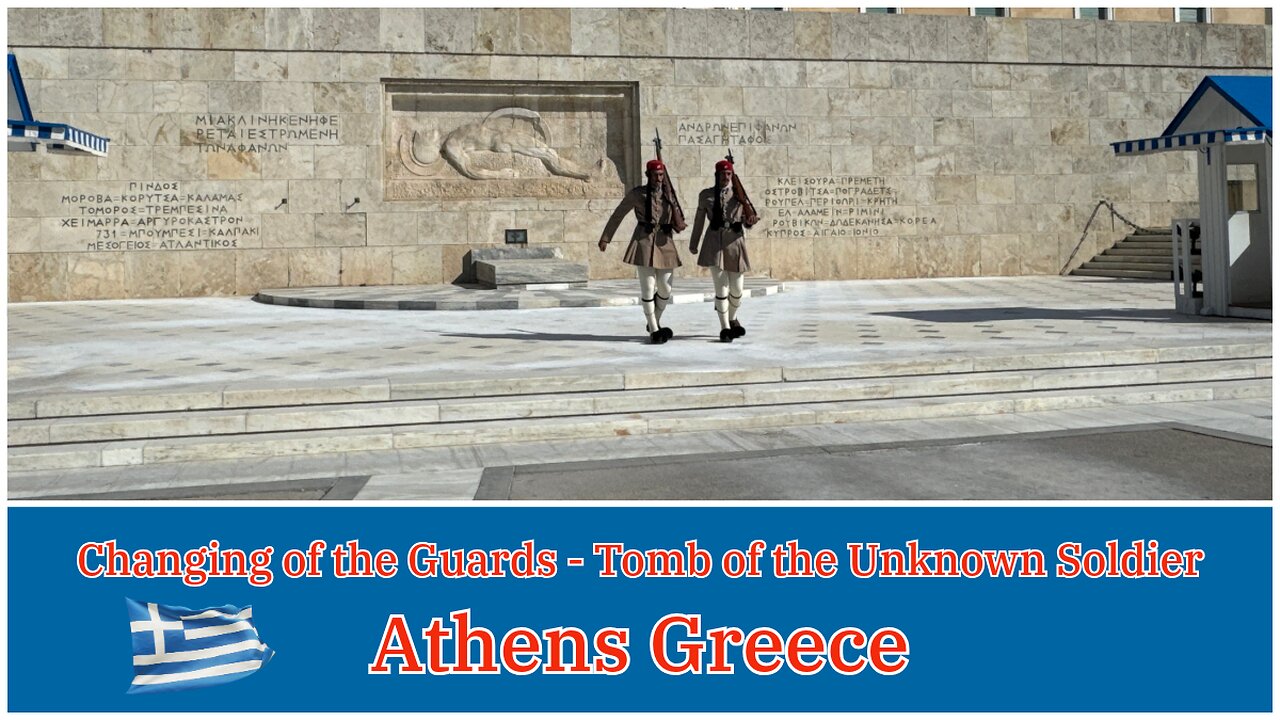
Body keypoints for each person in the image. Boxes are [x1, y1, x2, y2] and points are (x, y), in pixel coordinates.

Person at [598, 158, 687, 344]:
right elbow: (618, 214)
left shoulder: (668, 194)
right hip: (643, 241)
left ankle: (655, 319)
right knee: (648, 288)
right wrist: (606, 237)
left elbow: (678, 216)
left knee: (665, 288)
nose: (658, 178)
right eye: (655, 175)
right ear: (648, 175)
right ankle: (654, 329)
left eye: (661, 175)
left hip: (665, 242)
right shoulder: (637, 194)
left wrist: (676, 213)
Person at [689, 156, 759, 342]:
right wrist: (694, 243)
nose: (725, 177)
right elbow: (698, 221)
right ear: (717, 175)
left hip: (735, 244)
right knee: (721, 289)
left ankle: (732, 317)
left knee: (737, 290)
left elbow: (748, 219)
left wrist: (749, 221)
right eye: (723, 174)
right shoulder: (706, 195)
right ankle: (725, 328)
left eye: (729, 174)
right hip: (714, 243)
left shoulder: (739, 195)